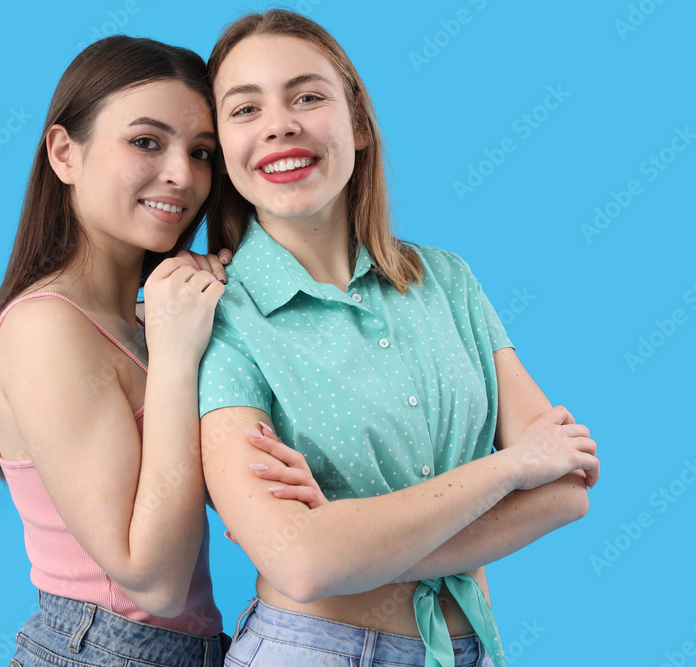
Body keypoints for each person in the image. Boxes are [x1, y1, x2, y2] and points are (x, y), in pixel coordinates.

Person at [198, 10, 601, 667]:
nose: (279, 124)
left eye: (307, 96)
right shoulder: (220, 317)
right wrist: (510, 467)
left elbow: (568, 486)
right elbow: (299, 562)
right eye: (245, 109)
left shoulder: (448, 280)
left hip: (468, 648)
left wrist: (350, 543)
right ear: (221, 146)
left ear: (357, 122)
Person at [0, 35, 324, 667]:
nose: (182, 175)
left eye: (201, 152)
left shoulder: (140, 321)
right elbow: (153, 581)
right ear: (63, 153)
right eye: (145, 142)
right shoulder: (46, 330)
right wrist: (177, 355)